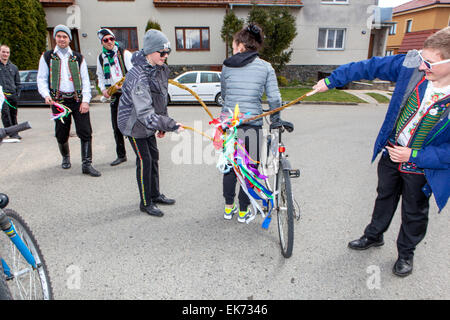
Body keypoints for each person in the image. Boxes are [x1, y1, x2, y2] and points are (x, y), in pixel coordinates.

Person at [313, 27, 450, 277]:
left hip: (420, 165)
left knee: (414, 211)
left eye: (429, 63)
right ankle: (374, 235)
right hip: (391, 153)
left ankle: (406, 254)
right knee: (384, 196)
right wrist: (332, 80)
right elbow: (369, 67)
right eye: (421, 59)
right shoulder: (411, 66)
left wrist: (414, 156)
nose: (421, 67)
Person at [118, 29, 183, 217]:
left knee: (153, 157)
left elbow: (160, 97)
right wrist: (169, 124)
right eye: (161, 52)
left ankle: (155, 194)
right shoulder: (137, 76)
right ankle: (145, 202)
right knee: (144, 160)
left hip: (148, 122)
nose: (165, 56)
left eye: (167, 52)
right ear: (149, 52)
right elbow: (144, 113)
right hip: (133, 124)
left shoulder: (159, 69)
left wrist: (161, 126)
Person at [220, 24, 282, 223]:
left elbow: (225, 94)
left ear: (240, 45)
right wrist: (276, 120)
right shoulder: (266, 67)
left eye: (233, 45)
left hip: (230, 126)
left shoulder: (227, 65)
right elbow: (274, 98)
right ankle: (243, 209)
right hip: (253, 125)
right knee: (249, 169)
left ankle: (228, 207)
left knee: (230, 167)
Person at [37, 24, 101, 177]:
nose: (61, 39)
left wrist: (86, 100)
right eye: (58, 36)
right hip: (59, 101)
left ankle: (87, 164)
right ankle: (65, 156)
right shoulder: (47, 56)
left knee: (85, 132)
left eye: (64, 36)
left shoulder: (78, 58)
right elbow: (41, 78)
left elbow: (85, 80)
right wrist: (46, 94)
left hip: (77, 99)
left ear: (69, 39)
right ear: (55, 38)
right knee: (61, 133)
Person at [96, 28, 133, 166]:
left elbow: (133, 73)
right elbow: (100, 75)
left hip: (128, 95)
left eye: (111, 38)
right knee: (117, 127)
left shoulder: (124, 53)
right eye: (106, 40)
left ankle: (140, 154)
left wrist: (124, 84)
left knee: (131, 126)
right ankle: (121, 155)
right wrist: (104, 89)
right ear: (102, 42)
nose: (109, 42)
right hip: (114, 96)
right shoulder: (101, 58)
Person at [0, 44, 21, 140]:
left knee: (13, 114)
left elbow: (18, 83)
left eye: (7, 52)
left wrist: (17, 94)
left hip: (13, 95)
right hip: (2, 96)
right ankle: (11, 133)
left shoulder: (14, 67)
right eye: (3, 52)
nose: (5, 54)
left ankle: (15, 131)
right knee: (5, 114)